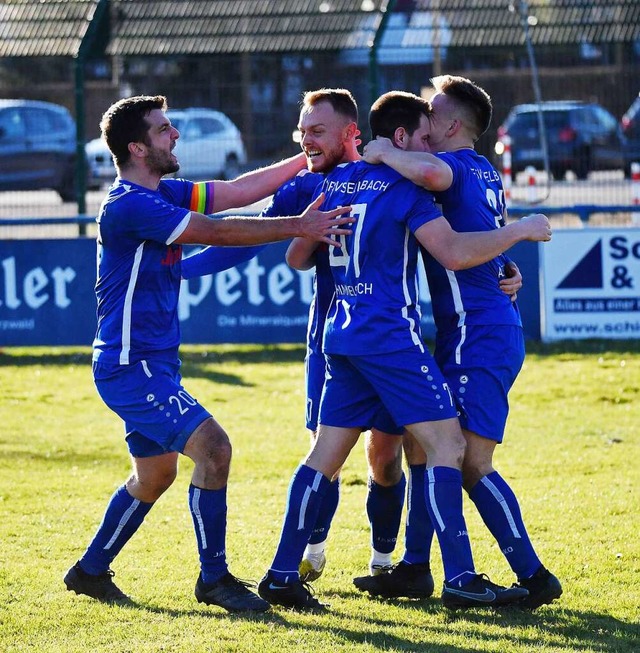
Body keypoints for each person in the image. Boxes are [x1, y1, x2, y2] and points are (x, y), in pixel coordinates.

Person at [257, 90, 552, 610]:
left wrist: (502, 267)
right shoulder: (405, 188)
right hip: (390, 338)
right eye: (420, 136)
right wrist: (520, 236)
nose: (426, 147)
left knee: (323, 457)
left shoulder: (337, 184)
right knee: (447, 448)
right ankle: (460, 577)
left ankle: (283, 574)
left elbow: (298, 256)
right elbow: (457, 252)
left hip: (342, 334)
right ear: (401, 138)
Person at [62, 94, 354, 613]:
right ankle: (215, 580)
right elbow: (214, 231)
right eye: (163, 130)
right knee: (214, 449)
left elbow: (238, 192)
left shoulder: (164, 191)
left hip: (149, 364)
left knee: (155, 475)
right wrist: (298, 226)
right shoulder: (132, 204)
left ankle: (89, 571)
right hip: (131, 367)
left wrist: (306, 156)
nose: (175, 136)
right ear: (137, 147)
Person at [355, 77, 562, 610]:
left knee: (470, 461)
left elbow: (426, 170)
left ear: (450, 126)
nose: (425, 115)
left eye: (433, 110)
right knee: (424, 446)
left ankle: (534, 576)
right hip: (471, 330)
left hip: (481, 334)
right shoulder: (484, 173)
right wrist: (508, 260)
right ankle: (416, 568)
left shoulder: (453, 167)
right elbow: (477, 234)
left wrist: (380, 148)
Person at [182, 88, 406, 583]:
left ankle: (385, 562)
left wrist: (504, 266)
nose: (307, 140)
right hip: (331, 340)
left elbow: (448, 227)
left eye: (317, 131)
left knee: (384, 456)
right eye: (301, 131)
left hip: (390, 340)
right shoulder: (307, 185)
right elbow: (248, 235)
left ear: (352, 133)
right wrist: (181, 271)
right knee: (321, 452)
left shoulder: (389, 176)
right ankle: (312, 551)